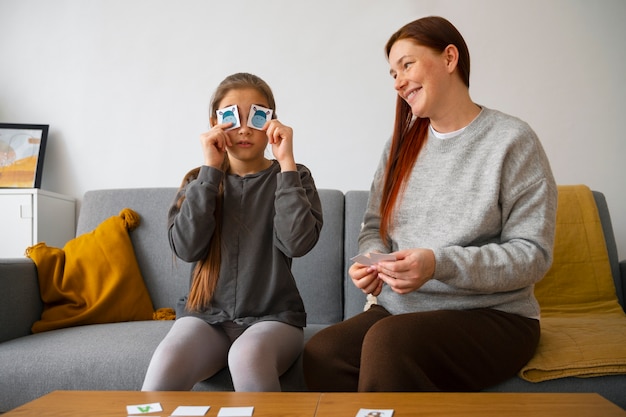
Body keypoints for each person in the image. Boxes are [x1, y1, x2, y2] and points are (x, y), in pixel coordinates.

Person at [303, 16, 557, 392]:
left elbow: (532, 254)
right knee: (322, 351)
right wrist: (372, 262)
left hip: (494, 316)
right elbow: (374, 228)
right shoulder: (398, 148)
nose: (398, 81)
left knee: (389, 343)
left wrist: (438, 264)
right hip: (401, 310)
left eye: (407, 64)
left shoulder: (511, 141)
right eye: (392, 73)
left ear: (450, 58)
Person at [142, 72, 323, 392]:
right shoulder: (198, 181)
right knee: (166, 360)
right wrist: (210, 172)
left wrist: (287, 164)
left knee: (247, 356)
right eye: (231, 117)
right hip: (205, 318)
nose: (243, 128)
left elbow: (297, 243)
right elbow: (186, 248)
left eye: (256, 117)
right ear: (215, 122)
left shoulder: (294, 176)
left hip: (273, 319)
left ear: (271, 123)